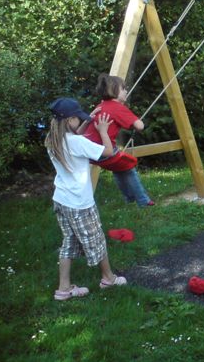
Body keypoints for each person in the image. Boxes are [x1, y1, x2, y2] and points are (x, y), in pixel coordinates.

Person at [45, 97, 127, 301]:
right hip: (79, 203)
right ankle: (108, 278)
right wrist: (103, 131)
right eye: (78, 118)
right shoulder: (77, 142)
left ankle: (64, 289)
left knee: (69, 241)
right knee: (96, 240)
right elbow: (108, 152)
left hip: (62, 200)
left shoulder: (52, 139)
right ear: (70, 120)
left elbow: (74, 139)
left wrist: (86, 121)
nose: (80, 121)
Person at [83, 73, 154, 207]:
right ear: (114, 91)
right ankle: (143, 201)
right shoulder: (117, 108)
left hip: (90, 153)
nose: (126, 91)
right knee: (128, 165)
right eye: (123, 89)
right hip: (105, 152)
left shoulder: (100, 106)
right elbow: (140, 126)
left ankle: (129, 199)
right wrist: (137, 121)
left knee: (118, 168)